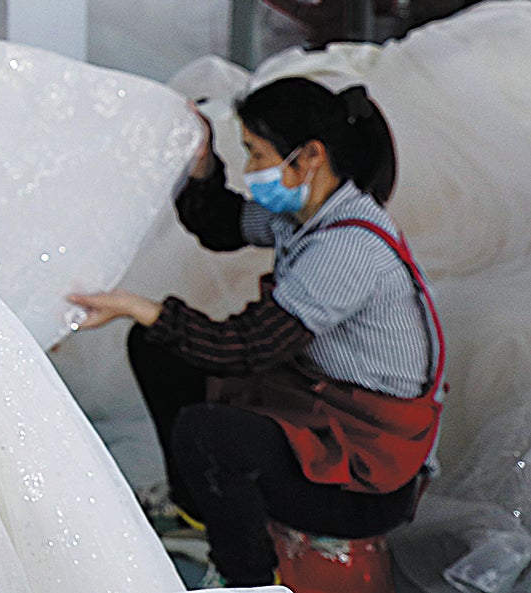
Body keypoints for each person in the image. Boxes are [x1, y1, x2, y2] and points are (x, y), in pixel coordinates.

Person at [69, 79, 444, 588]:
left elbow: (244, 347)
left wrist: (138, 305)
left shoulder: (346, 249)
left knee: (207, 433)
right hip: (326, 408)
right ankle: (200, 510)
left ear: (309, 156)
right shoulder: (308, 214)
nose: (251, 170)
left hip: (367, 476)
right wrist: (203, 164)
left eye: (257, 154)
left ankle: (249, 579)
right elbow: (222, 224)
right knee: (159, 346)